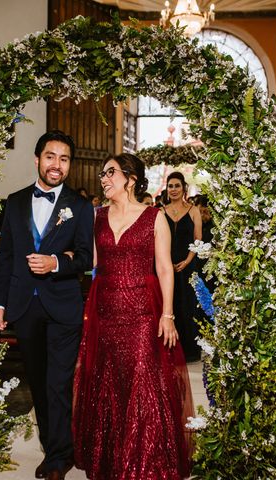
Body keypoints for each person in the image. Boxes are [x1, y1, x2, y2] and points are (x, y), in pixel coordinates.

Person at [73, 153, 193, 480]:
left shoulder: (154, 217)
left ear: (130, 178)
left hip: (142, 311)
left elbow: (165, 268)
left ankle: (143, 461)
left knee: (141, 380)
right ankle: (111, 460)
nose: (103, 178)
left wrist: (167, 315)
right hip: (105, 311)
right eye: (102, 174)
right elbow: (89, 261)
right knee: (108, 379)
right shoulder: (96, 217)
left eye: (110, 173)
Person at [0, 130, 94, 480]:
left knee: (58, 384)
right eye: (51, 157)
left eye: (64, 159)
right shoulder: (16, 201)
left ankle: (58, 457)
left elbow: (83, 258)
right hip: (24, 307)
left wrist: (56, 264)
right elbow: (5, 257)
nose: (57, 165)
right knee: (37, 381)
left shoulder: (79, 208)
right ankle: (55, 447)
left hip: (62, 307)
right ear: (37, 159)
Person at [162, 171, 203, 361]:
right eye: (170, 186)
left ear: (184, 188)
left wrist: (187, 261)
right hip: (165, 265)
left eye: (177, 185)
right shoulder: (161, 211)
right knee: (169, 304)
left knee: (187, 306)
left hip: (188, 264)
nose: (174, 189)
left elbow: (198, 239)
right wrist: (165, 262)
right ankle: (169, 350)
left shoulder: (193, 210)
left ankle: (189, 351)